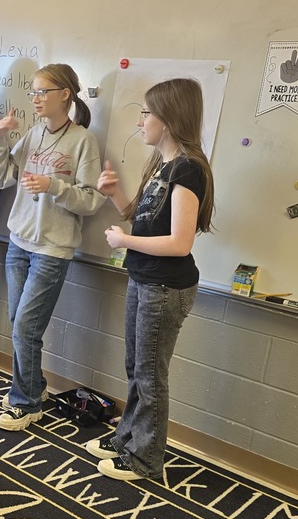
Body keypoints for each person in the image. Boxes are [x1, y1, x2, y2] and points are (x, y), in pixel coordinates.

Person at [87, 77, 215, 481]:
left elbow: (179, 242)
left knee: (150, 375)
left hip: (166, 286)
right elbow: (142, 223)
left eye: (147, 113)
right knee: (135, 367)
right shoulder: (162, 165)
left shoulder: (189, 170)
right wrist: (115, 196)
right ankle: (128, 437)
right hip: (144, 278)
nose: (141, 121)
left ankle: (144, 459)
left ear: (170, 119)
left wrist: (123, 240)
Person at [0, 63, 109, 431]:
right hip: (18, 243)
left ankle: (25, 403)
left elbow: (91, 201)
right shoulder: (34, 134)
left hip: (52, 251)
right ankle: (35, 388)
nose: (35, 99)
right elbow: (1, 177)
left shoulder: (83, 140)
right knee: (19, 323)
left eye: (42, 92)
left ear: (65, 95)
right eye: (34, 92)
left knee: (25, 326)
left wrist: (53, 187)